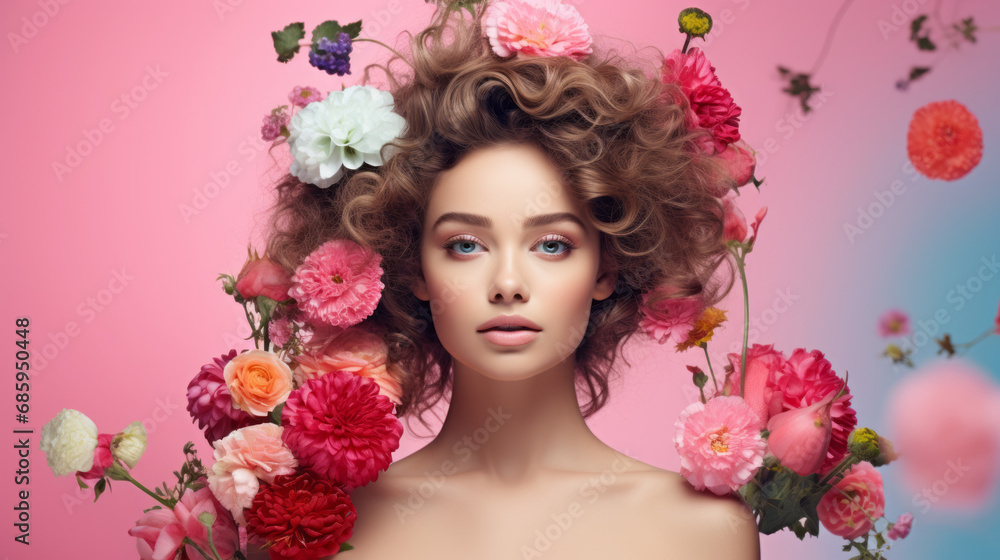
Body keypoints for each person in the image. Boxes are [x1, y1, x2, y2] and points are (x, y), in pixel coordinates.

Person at [259, 1, 760, 558]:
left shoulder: (702, 534)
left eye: (552, 244)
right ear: (413, 267)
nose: (507, 283)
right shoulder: (318, 530)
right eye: (465, 245)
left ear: (607, 267)